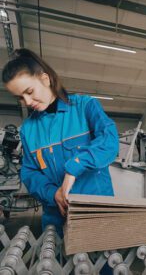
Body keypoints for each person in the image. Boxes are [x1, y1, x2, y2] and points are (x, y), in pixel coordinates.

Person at [2, 49, 119, 237]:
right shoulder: (28, 130)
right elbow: (29, 172)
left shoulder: (85, 106)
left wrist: (74, 167)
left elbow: (110, 141)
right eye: (20, 98)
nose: (27, 102)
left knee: (103, 265)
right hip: (56, 219)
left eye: (29, 92)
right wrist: (52, 194)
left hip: (96, 213)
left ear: (45, 79)